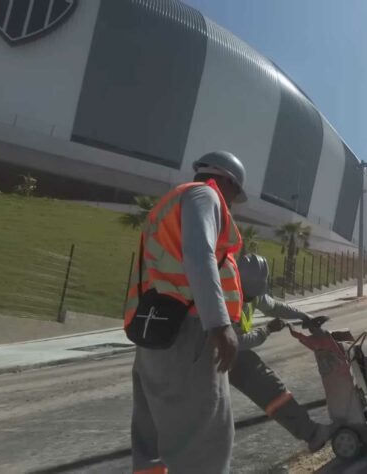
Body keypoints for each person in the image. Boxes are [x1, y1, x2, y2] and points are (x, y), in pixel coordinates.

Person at [126, 151, 248, 474]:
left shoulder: (172, 202)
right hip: (189, 334)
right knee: (207, 441)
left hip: (155, 332)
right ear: (225, 181)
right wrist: (220, 325)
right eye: (235, 193)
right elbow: (199, 254)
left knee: (150, 443)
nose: (233, 203)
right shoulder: (205, 195)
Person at [231, 254, 330, 452]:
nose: (250, 299)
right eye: (248, 295)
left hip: (232, 353)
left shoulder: (252, 289)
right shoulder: (226, 296)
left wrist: (304, 316)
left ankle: (311, 433)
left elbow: (274, 306)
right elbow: (236, 342)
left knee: (270, 389)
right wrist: (267, 330)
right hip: (210, 354)